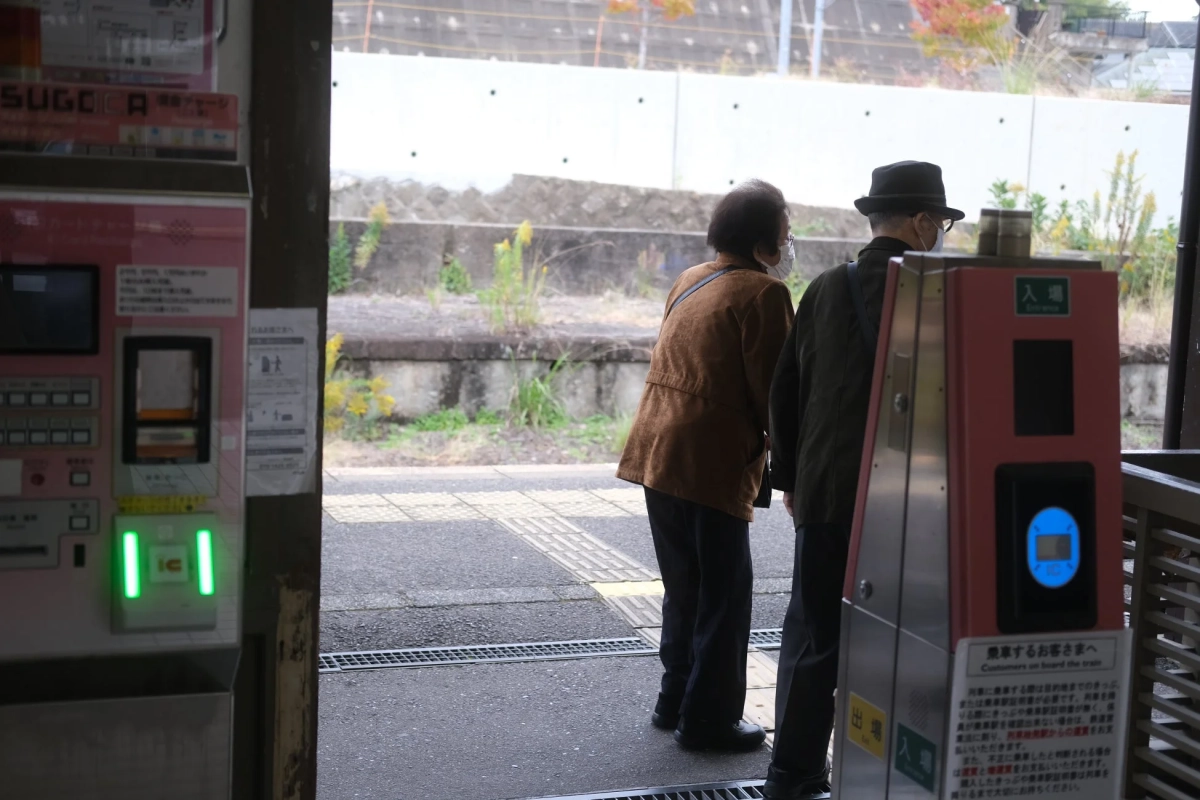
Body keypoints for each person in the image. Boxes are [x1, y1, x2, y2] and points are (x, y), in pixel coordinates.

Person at [763, 161, 963, 798]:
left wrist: (791, 477)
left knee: (817, 634)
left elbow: (784, 393)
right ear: (922, 220)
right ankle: (888, 773)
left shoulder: (822, 289)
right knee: (909, 639)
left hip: (827, 491)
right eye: (942, 222)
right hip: (915, 505)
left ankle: (791, 774)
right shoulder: (942, 291)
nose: (942, 233)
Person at [618, 179, 796, 752]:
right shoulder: (763, 296)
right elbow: (775, 394)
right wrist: (791, 467)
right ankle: (710, 721)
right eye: (785, 234)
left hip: (655, 450)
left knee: (685, 588)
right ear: (765, 241)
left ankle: (675, 702)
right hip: (708, 462)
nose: (788, 246)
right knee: (724, 594)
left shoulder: (691, 277)